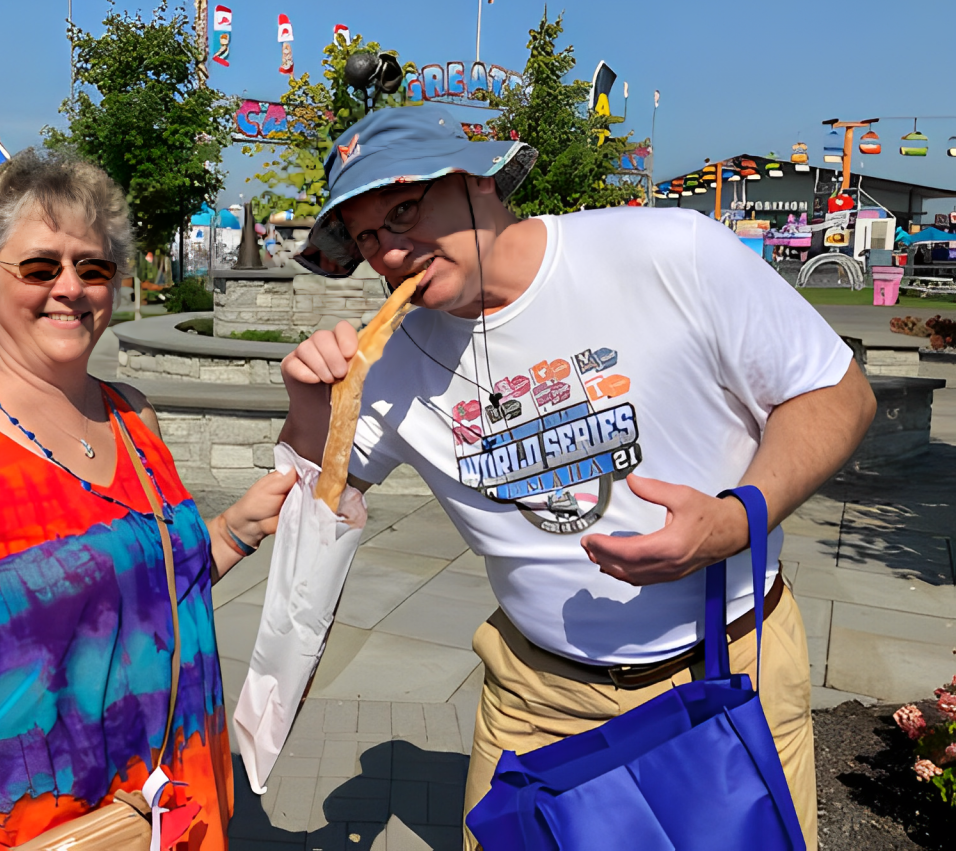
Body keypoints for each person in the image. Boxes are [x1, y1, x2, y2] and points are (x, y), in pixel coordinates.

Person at [281, 106, 876, 850]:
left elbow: (836, 393)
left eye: (405, 210)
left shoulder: (669, 251)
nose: (390, 251)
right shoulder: (391, 361)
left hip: (729, 665)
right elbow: (314, 502)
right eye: (366, 237)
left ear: (480, 180)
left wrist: (732, 519)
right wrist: (311, 410)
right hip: (536, 697)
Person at [0, 150, 295, 850]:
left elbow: (141, 591)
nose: (70, 288)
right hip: (7, 828)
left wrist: (233, 530)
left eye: (93, 268)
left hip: (163, 817)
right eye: (40, 268)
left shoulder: (134, 418)